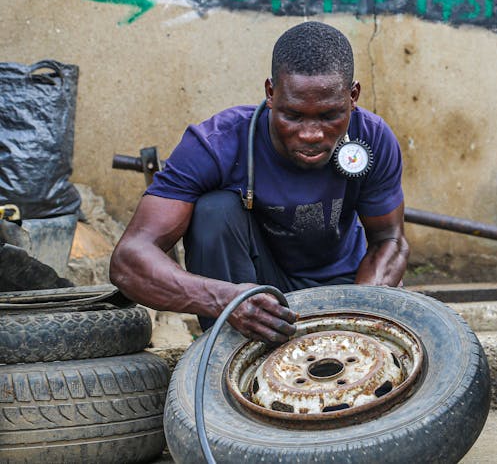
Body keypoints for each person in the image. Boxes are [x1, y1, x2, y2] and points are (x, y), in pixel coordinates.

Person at [110, 21, 409, 344]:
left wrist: (360, 310)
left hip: (343, 286)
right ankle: (229, 356)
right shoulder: (216, 144)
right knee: (214, 211)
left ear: (353, 96)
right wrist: (227, 300)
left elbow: (389, 240)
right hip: (253, 294)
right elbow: (129, 259)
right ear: (270, 92)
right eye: (293, 116)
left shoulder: (373, 138)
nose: (310, 134)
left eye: (328, 116)